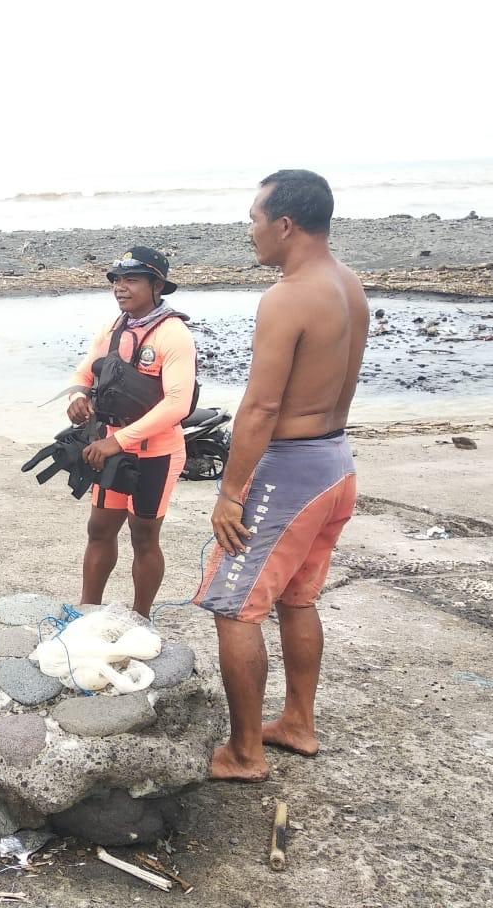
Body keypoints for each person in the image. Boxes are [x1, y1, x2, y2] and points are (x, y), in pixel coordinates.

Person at [194, 170, 368, 782]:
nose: (251, 232)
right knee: (297, 597)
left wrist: (230, 493)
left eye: (254, 219)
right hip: (336, 464)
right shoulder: (348, 286)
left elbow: (261, 408)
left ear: (285, 225)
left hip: (292, 472)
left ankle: (245, 753)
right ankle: (297, 722)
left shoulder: (289, 295)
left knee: (233, 604)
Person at [65, 246, 197, 618]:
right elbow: (84, 373)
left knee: (144, 536)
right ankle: (87, 612)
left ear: (157, 285)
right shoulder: (113, 328)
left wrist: (116, 441)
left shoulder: (173, 334)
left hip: (155, 453)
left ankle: (141, 617)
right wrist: (77, 396)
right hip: (111, 448)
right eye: (117, 280)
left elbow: (177, 404)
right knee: (100, 529)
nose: (120, 288)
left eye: (132, 280)